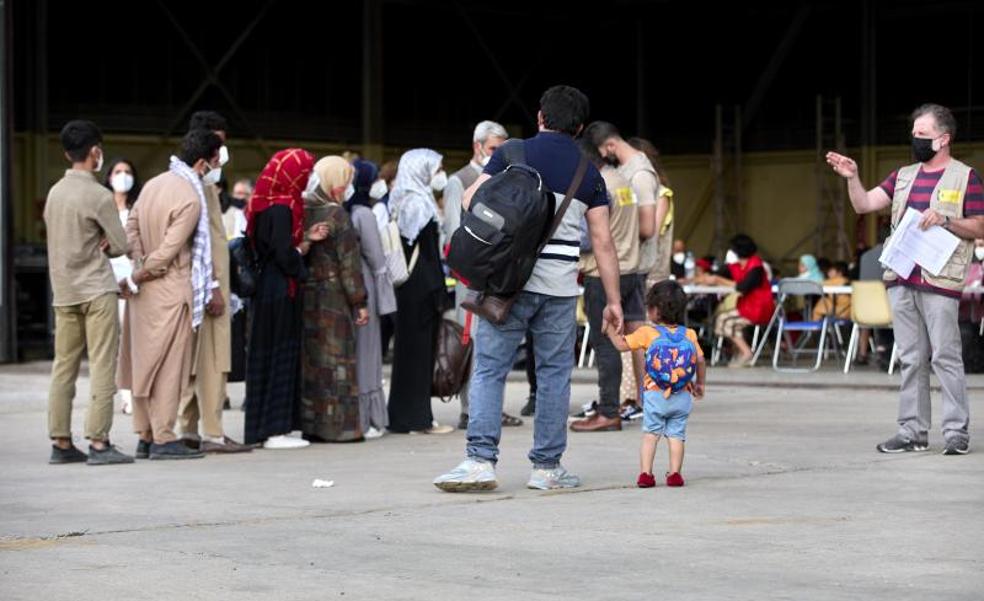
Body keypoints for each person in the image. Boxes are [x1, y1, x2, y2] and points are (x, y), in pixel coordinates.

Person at [434, 85, 624, 492]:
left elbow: (470, 200)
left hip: (507, 283)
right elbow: (603, 242)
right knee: (555, 375)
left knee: (490, 368)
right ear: (580, 128)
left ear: (540, 117)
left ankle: (479, 461)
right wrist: (613, 300)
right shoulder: (588, 172)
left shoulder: (511, 153)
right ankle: (547, 468)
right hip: (559, 289)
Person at [826, 103, 984, 455]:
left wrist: (945, 219)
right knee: (912, 357)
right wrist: (853, 178)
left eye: (923, 135)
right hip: (901, 276)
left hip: (940, 279)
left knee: (945, 356)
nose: (916, 139)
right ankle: (912, 431)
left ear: (943, 139)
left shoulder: (966, 176)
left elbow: (980, 224)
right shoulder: (902, 176)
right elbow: (865, 204)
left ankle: (956, 432)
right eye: (914, 134)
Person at [118, 128, 223, 460]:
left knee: (142, 363)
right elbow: (168, 252)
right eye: (219, 158)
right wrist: (143, 268)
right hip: (170, 287)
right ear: (206, 162)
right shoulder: (191, 198)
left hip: (143, 291)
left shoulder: (153, 184)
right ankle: (164, 437)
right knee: (169, 368)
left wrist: (138, 258)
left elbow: (131, 226)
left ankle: (145, 435)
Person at [44, 120, 133, 465]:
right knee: (101, 365)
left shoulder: (54, 193)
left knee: (63, 366)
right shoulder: (99, 196)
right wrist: (106, 244)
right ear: (95, 152)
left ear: (67, 153)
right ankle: (99, 442)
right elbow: (121, 244)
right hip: (97, 289)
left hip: (64, 291)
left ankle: (61, 441)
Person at [172, 112, 251, 454]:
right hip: (208, 288)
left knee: (191, 364)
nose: (224, 152)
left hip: (200, 287)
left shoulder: (197, 183)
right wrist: (216, 287)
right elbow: (201, 243)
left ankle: (188, 430)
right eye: (218, 144)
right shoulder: (197, 187)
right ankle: (213, 432)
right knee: (214, 363)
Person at [244, 148, 329, 450]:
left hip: (268, 288)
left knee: (266, 354)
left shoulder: (266, 202)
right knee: (279, 353)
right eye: (304, 171)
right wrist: (300, 258)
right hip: (280, 290)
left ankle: (266, 427)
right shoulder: (283, 208)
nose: (307, 177)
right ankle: (274, 430)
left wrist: (305, 240)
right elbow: (282, 253)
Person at [442, 120, 522, 430]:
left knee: (499, 342)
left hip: (500, 274)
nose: (498, 155)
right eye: (493, 149)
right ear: (478, 147)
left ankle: (492, 407)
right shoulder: (459, 180)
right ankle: (471, 409)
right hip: (473, 274)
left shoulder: (507, 178)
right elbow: (453, 231)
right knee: (473, 342)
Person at [570, 137, 644, 433]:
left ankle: (609, 411)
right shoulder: (622, 181)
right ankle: (626, 404)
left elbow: (591, 237)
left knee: (605, 344)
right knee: (623, 339)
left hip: (604, 274)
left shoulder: (596, 185)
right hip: (630, 269)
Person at [604, 280, 705, 488]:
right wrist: (700, 384)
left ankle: (646, 474)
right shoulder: (689, 334)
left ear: (655, 311)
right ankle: (675, 474)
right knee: (676, 435)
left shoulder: (647, 333)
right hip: (682, 395)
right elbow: (701, 360)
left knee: (651, 435)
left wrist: (610, 330)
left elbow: (622, 345)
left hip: (655, 394)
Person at [297, 156, 370, 442]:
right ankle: (340, 427)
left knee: (313, 363)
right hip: (334, 299)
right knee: (338, 362)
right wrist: (359, 302)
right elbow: (348, 264)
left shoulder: (303, 208)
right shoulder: (337, 214)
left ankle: (312, 424)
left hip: (308, 295)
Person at [386, 149, 455, 435]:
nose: (438, 175)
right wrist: (439, 290)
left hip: (408, 288)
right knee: (418, 352)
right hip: (421, 287)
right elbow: (427, 253)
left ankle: (405, 416)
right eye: (435, 169)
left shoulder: (401, 198)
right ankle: (417, 419)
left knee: (408, 352)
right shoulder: (419, 204)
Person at [348, 159, 397, 439]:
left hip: (346, 288)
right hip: (365, 285)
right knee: (368, 352)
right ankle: (370, 417)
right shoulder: (364, 214)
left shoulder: (343, 210)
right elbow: (377, 259)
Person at [697, 234, 775, 367]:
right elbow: (719, 274)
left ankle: (746, 352)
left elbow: (743, 287)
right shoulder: (738, 266)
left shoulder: (756, 267)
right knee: (724, 321)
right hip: (747, 306)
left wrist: (718, 280)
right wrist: (708, 278)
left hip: (759, 308)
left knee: (723, 321)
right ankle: (740, 352)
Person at [103, 158, 141, 416]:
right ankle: (122, 394)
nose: (123, 176)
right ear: (109, 177)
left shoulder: (137, 209)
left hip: (134, 281)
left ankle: (132, 394)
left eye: (128, 171)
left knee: (133, 340)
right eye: (118, 171)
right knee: (113, 342)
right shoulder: (101, 208)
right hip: (106, 281)